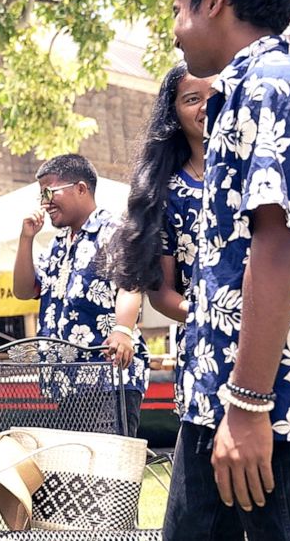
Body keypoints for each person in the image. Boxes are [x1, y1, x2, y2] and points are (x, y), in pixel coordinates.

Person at [162, 0, 290, 540]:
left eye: (178, 10)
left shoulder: (275, 87)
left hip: (274, 411)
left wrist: (249, 407)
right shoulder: (239, 93)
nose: (175, 29)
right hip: (219, 398)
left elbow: (278, 245)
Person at [13, 154, 150, 436]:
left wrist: (123, 330)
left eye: (49, 192)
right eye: (41, 194)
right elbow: (24, 290)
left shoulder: (114, 231)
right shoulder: (56, 245)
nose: (44, 202)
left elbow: (130, 283)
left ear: (81, 188)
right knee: (77, 474)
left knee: (108, 473)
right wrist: (26, 239)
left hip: (109, 378)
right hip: (66, 382)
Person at [105, 63, 215, 410]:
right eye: (192, 99)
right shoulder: (166, 193)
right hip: (204, 345)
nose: (206, 107)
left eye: (215, 95)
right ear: (175, 114)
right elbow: (162, 293)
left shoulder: (258, 171)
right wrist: (210, 318)